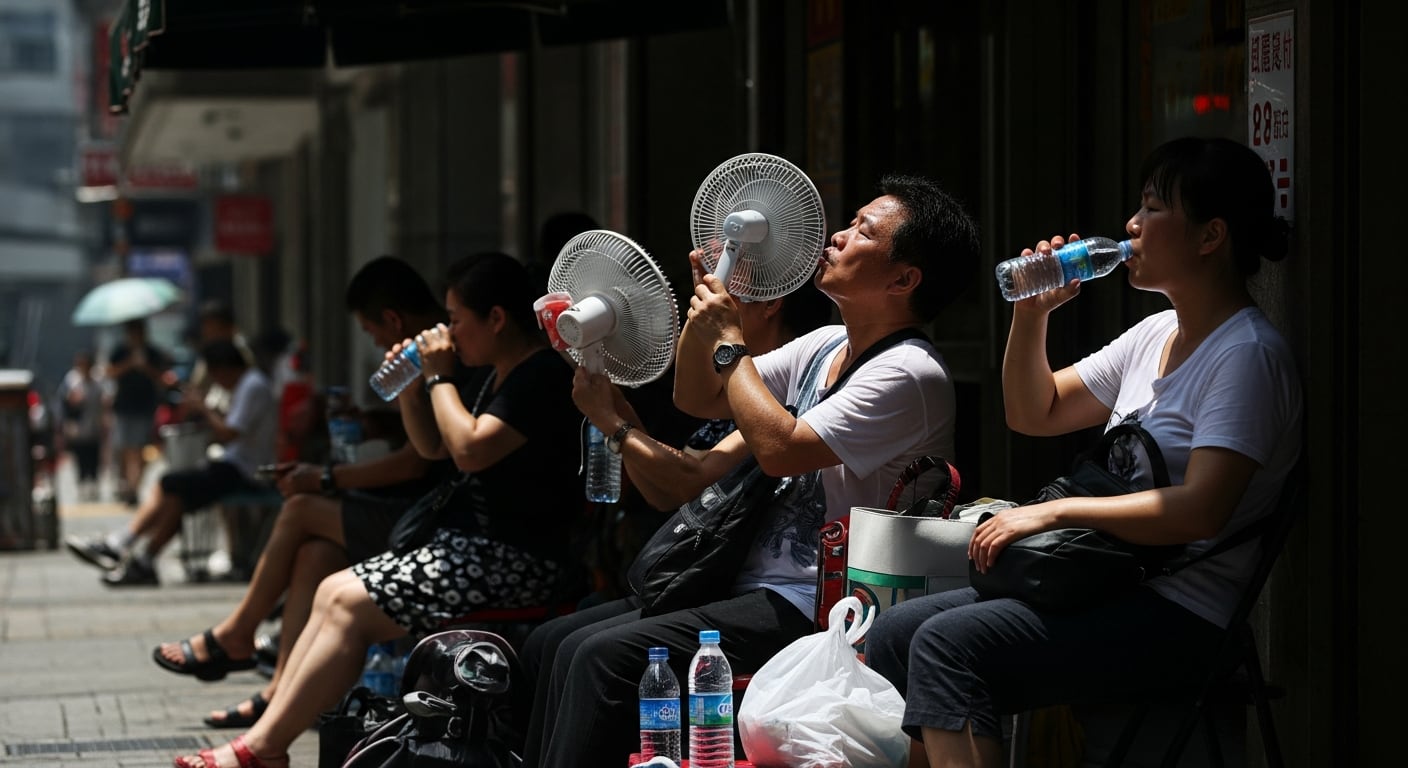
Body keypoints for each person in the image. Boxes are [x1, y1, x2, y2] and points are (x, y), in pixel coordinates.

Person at [863, 137, 1304, 768]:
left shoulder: (1246, 356)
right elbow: (1033, 411)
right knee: (897, 633)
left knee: (946, 646)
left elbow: (1202, 510)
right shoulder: (1158, 331)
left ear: (1211, 237)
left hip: (1183, 610)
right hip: (1109, 580)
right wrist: (1031, 314)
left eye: (1153, 209)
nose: (1132, 225)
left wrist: (1053, 513)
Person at [522, 173, 980, 768]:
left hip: (818, 604)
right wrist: (711, 308)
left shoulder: (911, 373)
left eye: (862, 231)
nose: (837, 237)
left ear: (902, 278)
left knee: (601, 658)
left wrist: (729, 342)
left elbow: (781, 448)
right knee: (557, 642)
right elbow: (699, 397)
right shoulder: (824, 343)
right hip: (747, 583)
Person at [172, 251, 584, 768]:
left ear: (497, 319)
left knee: (350, 608)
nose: (449, 332)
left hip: (519, 561)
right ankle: (266, 738)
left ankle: (263, 748)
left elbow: (469, 449)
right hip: (476, 550)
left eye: (456, 319)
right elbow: (433, 447)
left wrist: (439, 378)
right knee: (331, 589)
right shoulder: (502, 372)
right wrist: (415, 388)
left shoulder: (539, 375)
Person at [148, 256, 460, 730]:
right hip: (417, 510)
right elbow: (428, 442)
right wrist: (383, 420)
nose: (374, 342)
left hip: (435, 521)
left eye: (459, 319)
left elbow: (425, 457)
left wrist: (327, 478)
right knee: (315, 553)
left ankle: (238, 634)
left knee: (301, 509)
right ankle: (277, 691)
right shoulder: (437, 358)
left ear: (392, 320)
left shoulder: (445, 359)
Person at [515, 278, 833, 728]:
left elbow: (689, 479)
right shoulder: (738, 383)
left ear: (770, 303)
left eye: (726, 287)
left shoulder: (775, 398)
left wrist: (610, 420)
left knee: (588, 651)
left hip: (730, 583)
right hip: (702, 574)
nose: (703, 300)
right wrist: (614, 407)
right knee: (548, 641)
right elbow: (662, 491)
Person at [65, 338, 278, 586]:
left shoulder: (252, 386)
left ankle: (123, 545)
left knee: (172, 485)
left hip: (245, 470)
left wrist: (204, 408)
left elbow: (228, 433)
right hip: (235, 464)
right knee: (175, 494)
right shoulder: (246, 385)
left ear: (225, 368)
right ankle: (139, 555)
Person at [106, 317, 173, 506]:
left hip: (146, 406)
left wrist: (145, 367)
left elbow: (163, 378)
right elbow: (109, 372)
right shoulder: (120, 351)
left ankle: (134, 486)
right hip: (124, 407)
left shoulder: (153, 353)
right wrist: (130, 363)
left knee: (141, 449)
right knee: (127, 449)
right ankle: (130, 486)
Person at [56, 350, 106, 502]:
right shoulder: (71, 379)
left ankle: (94, 484)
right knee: (80, 456)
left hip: (94, 424)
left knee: (94, 455)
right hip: (77, 426)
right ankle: (82, 484)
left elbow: (105, 399)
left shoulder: (98, 379)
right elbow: (63, 402)